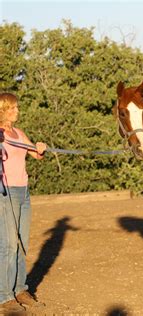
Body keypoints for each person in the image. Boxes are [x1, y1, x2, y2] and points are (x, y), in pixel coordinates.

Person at [0, 93, 47, 313]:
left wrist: (40, 148)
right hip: (4, 193)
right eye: (14, 108)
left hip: (23, 192)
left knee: (21, 243)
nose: (17, 111)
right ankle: (4, 297)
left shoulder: (18, 133)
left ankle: (20, 289)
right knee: (8, 245)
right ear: (4, 109)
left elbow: (36, 155)